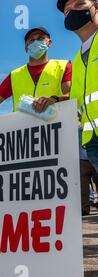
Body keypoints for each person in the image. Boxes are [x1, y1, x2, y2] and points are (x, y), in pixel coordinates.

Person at [0, 27, 72, 134]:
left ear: (49, 43)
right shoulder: (15, 75)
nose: (36, 42)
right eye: (31, 41)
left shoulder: (63, 66)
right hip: (22, 136)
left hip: (57, 132)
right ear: (26, 48)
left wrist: (53, 99)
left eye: (40, 38)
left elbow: (71, 95)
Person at [57, 0, 98, 172]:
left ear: (95, 7)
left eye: (79, 3)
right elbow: (79, 101)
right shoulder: (77, 61)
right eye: (67, 10)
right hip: (92, 142)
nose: (72, 10)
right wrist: (54, 100)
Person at [79, 127, 98, 216]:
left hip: (95, 160)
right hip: (83, 161)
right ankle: (85, 209)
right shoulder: (78, 131)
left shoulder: (95, 128)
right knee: (83, 187)